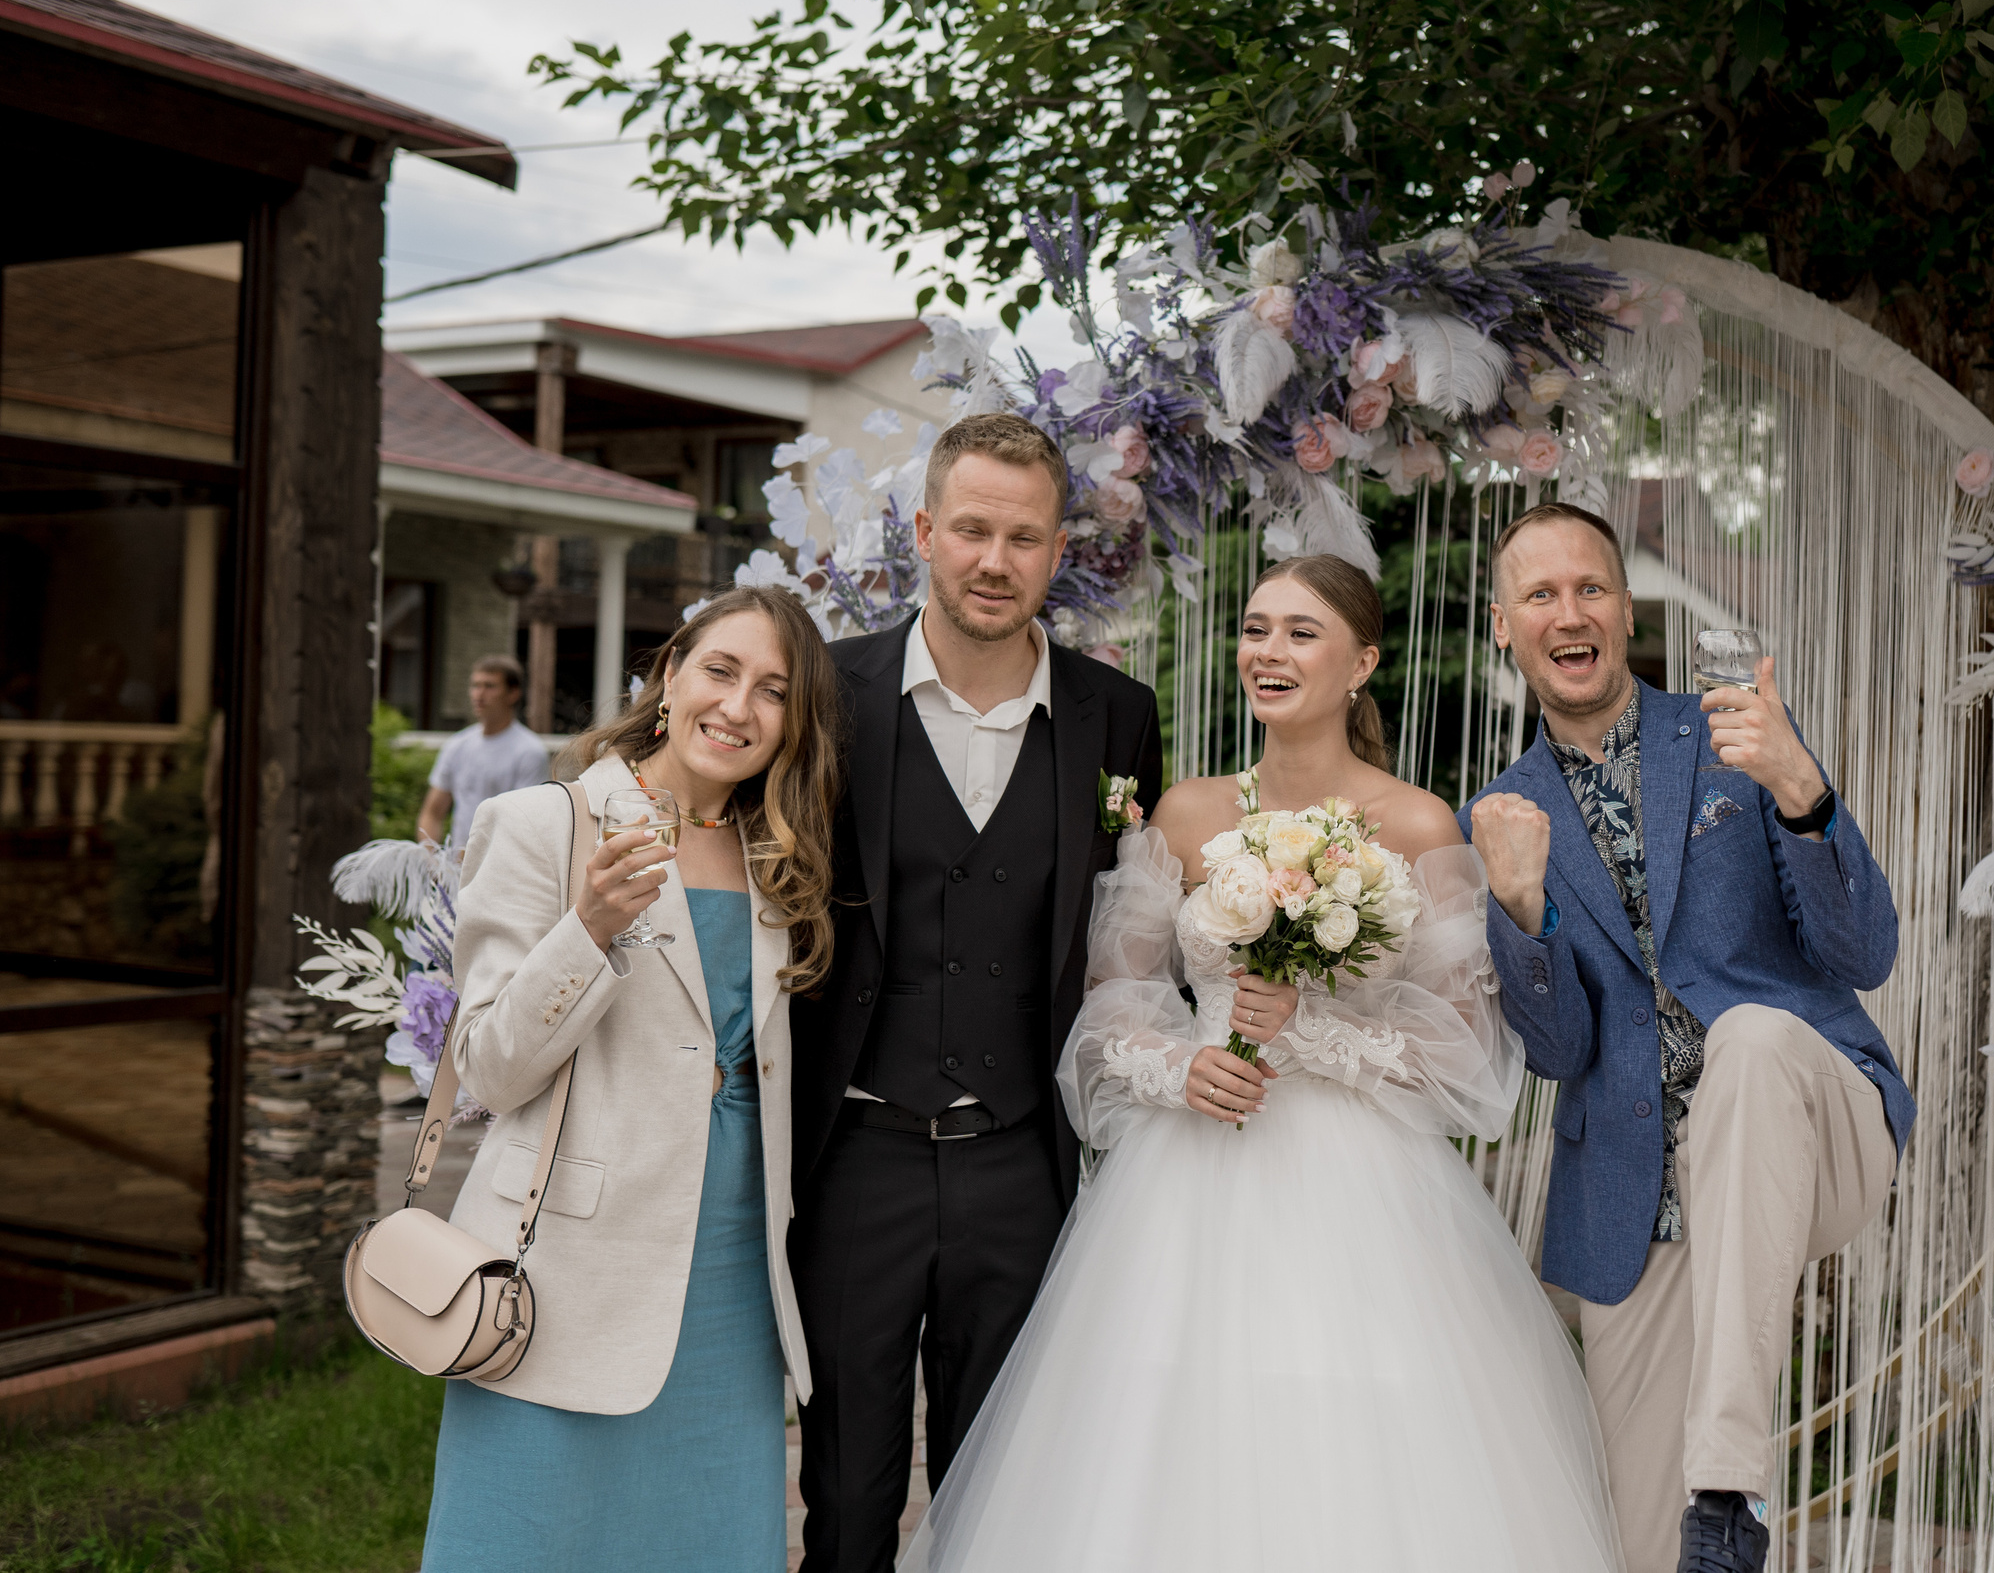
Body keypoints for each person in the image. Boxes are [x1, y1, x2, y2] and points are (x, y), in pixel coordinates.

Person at [898, 553, 1623, 1572]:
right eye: (1255, 628)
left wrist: (1305, 1035)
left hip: (1363, 1194)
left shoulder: (1417, 823)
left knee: (1345, 1426)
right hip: (1186, 1176)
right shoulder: (1188, 815)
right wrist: (1182, 1062)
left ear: (1362, 662)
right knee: (1159, 1430)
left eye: (1299, 632)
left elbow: (1466, 1055)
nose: (1266, 652)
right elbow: (1109, 1006)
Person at [1463, 503, 1907, 1573]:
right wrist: (1522, 913)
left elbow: (1864, 955)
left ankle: (1725, 1486)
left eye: (1590, 588)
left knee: (1751, 1038)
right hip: (1633, 1191)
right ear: (1502, 625)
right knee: (1641, 1549)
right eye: (1540, 595)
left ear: (1623, 606)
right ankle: (1703, 1523)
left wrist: (1802, 791)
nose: (1569, 613)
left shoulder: (1728, 738)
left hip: (1815, 1113)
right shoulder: (1501, 814)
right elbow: (1560, 1053)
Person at [793, 414, 1164, 1573]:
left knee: (1000, 1489)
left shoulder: (1120, 717)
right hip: (855, 1152)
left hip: (1021, 1157)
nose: (993, 561)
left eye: (1022, 537)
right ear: (923, 534)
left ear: (1060, 551)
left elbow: (1131, 926)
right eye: (970, 531)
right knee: (845, 1498)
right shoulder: (826, 692)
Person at [418, 584, 840, 1571]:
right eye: (721, 672)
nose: (738, 708)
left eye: (773, 692)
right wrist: (589, 930)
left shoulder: (781, 850)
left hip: (734, 1268)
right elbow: (489, 1066)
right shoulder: (541, 824)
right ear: (670, 678)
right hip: (569, 1264)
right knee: (533, 1536)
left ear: (794, 725)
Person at [419, 654, 553, 849]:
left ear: (513, 694)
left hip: (501, 869)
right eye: (475, 685)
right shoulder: (457, 745)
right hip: (456, 869)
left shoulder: (529, 751)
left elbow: (526, 826)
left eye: (490, 686)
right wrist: (431, 862)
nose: (479, 694)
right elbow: (432, 812)